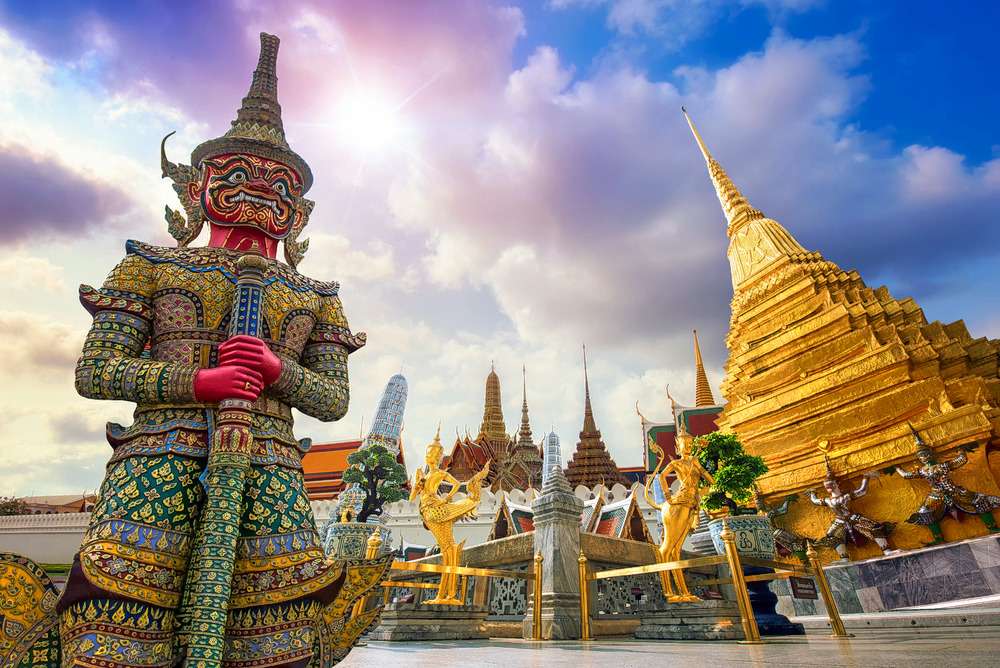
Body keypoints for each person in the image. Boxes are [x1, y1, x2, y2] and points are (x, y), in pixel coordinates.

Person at [411, 427, 491, 604]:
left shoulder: (441, 473)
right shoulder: (422, 474)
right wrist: (417, 487)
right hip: (428, 512)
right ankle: (446, 594)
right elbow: (411, 498)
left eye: (433, 452)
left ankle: (449, 594)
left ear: (439, 456)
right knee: (448, 550)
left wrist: (445, 498)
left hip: (437, 511)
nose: (429, 454)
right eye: (429, 451)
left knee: (449, 551)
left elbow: (456, 485)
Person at [895, 424, 1000, 543]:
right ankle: (938, 538)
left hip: (954, 490)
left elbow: (962, 460)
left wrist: (961, 449)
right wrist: (897, 468)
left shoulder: (943, 465)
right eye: (921, 456)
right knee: (924, 512)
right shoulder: (923, 471)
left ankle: (992, 527)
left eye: (925, 454)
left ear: (931, 454)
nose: (924, 457)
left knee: (980, 500)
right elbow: (906, 475)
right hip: (936, 495)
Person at [810, 459, 895, 560]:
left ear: (837, 484)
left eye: (831, 484)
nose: (828, 487)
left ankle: (887, 550)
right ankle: (844, 558)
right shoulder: (828, 500)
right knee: (832, 536)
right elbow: (815, 501)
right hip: (839, 521)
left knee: (874, 527)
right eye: (826, 485)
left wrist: (866, 477)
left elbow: (862, 491)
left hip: (852, 517)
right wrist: (811, 493)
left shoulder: (846, 496)